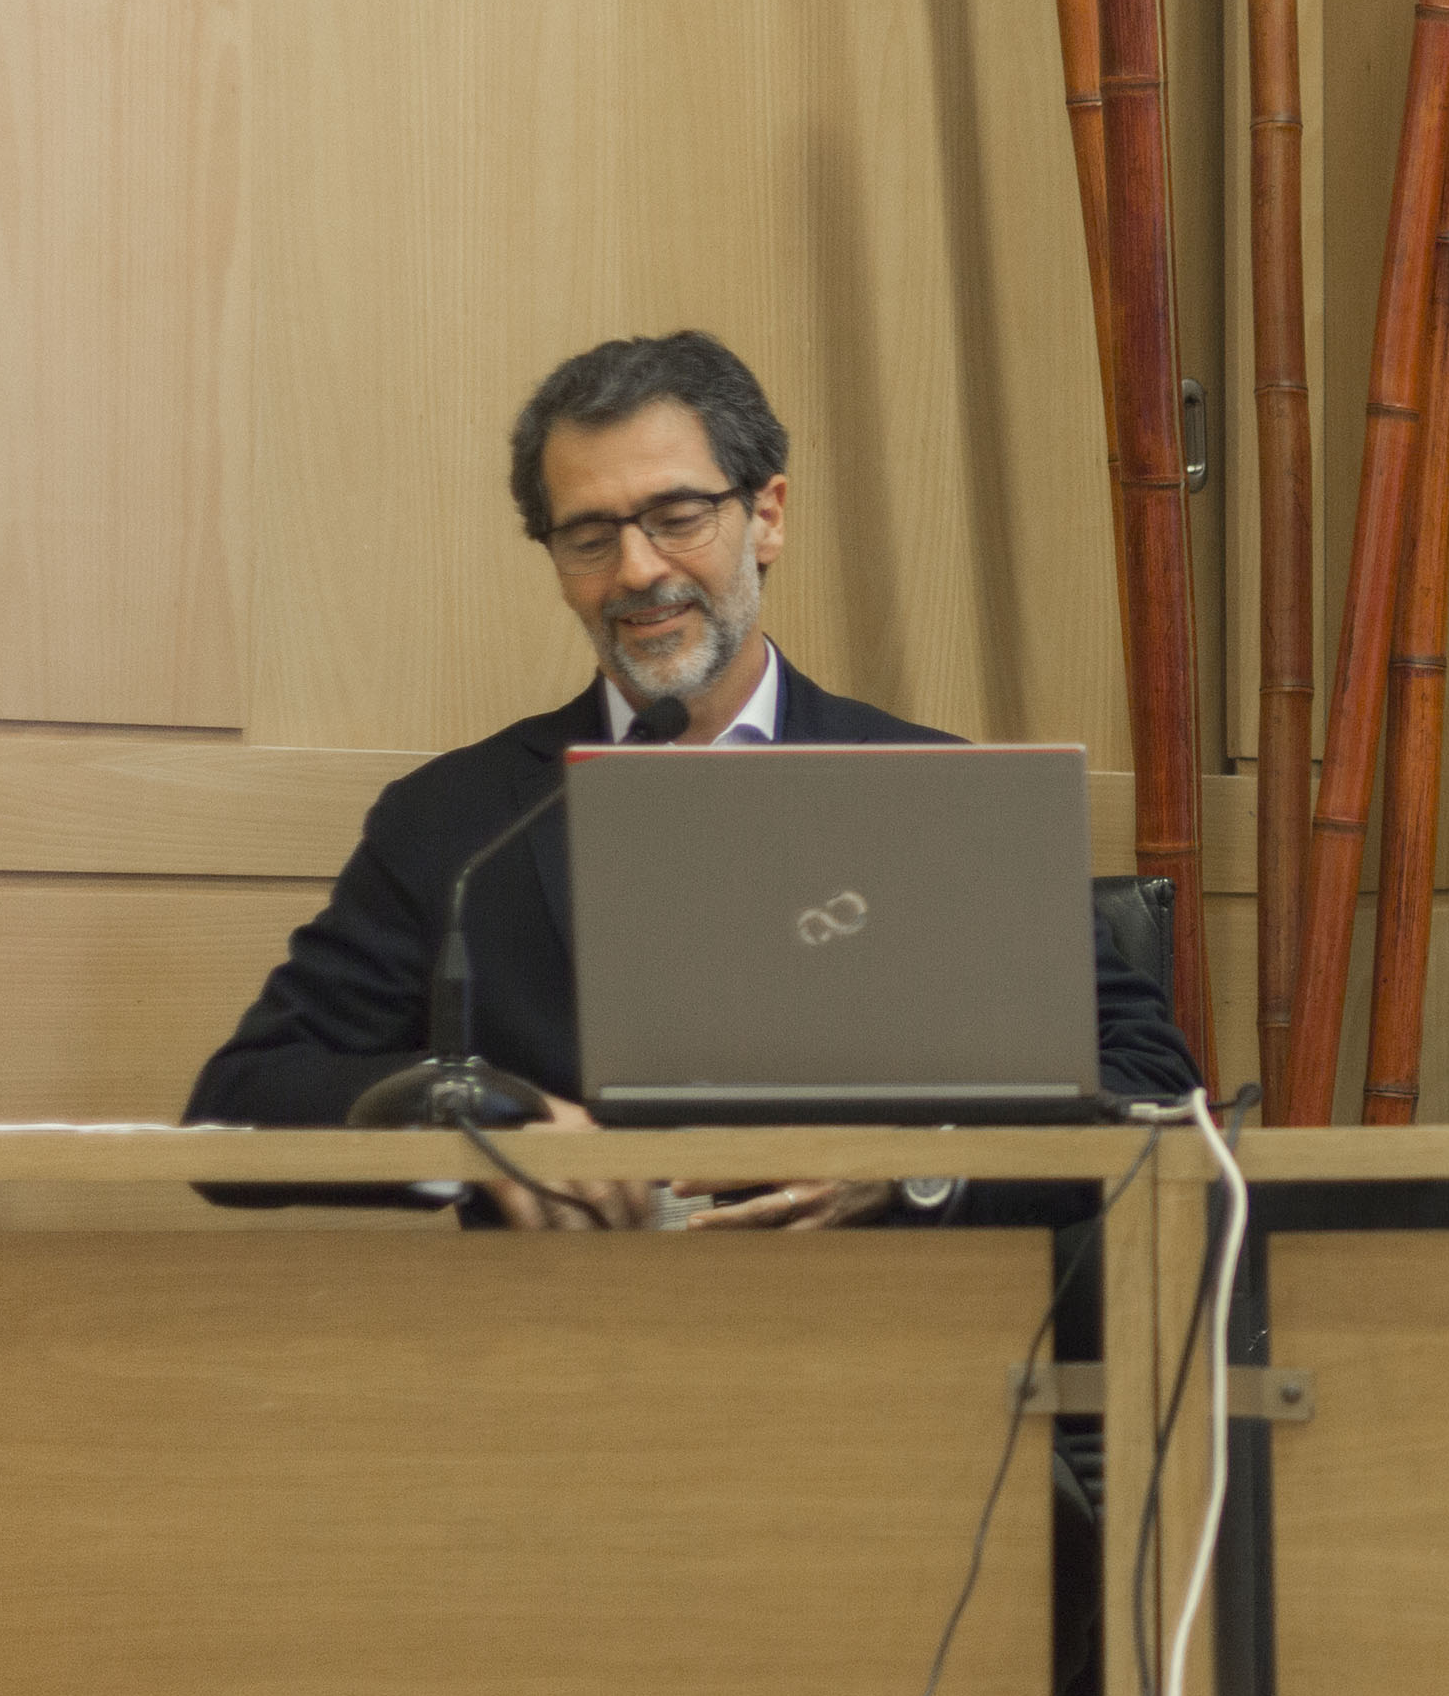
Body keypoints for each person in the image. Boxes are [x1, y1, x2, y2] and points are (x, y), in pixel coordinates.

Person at [185, 330, 1201, 1227]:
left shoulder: (940, 799)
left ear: (767, 516)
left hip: (889, 1349)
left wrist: (910, 1166)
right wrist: (482, 1127)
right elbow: (238, 1110)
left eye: (677, 515)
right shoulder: (459, 824)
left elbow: (1151, 1088)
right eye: (590, 536)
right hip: (569, 1353)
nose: (636, 570)